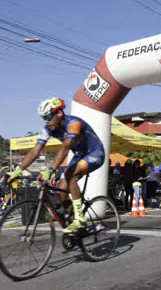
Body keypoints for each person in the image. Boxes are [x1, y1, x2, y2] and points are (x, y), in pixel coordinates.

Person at [8, 97, 105, 234]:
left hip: (95, 153)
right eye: (43, 118)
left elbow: (65, 148)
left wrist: (51, 169)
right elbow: (36, 150)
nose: (46, 121)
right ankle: (76, 226)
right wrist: (18, 171)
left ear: (59, 113)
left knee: (69, 174)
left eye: (48, 116)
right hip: (79, 156)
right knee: (60, 196)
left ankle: (80, 220)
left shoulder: (74, 124)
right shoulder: (48, 129)